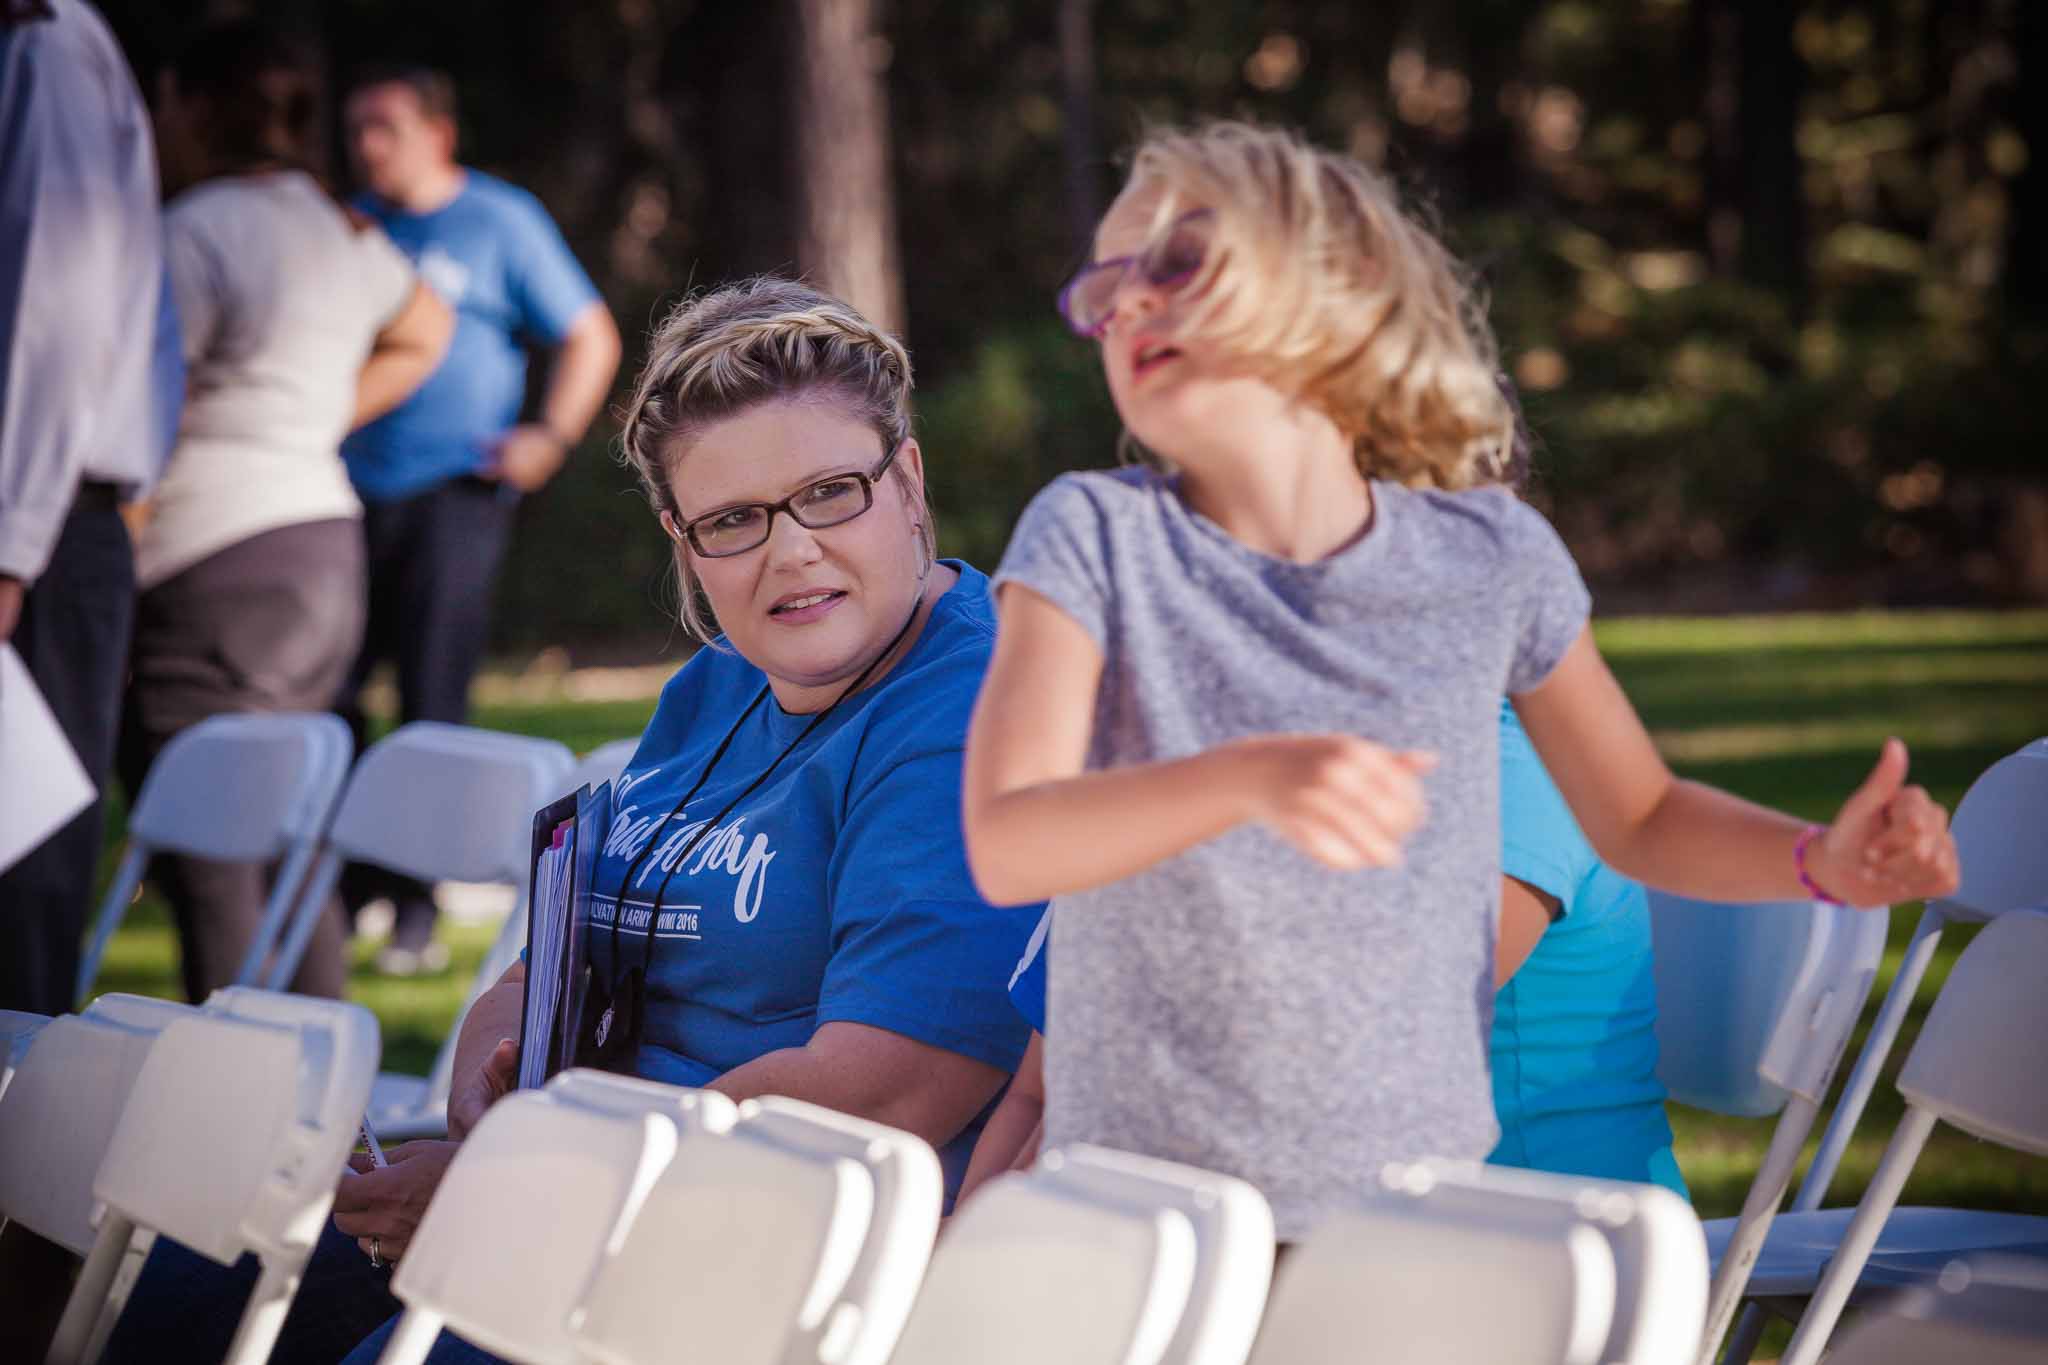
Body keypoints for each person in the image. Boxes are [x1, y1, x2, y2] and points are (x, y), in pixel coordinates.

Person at [959, 120, 1958, 1243]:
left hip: (1402, 1222)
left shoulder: (1493, 560)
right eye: (1105, 290)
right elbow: (1008, 839)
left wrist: (1816, 861)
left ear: (1341, 289)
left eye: (1178, 260)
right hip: (1148, 1221)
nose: (1131, 301)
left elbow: (1640, 816)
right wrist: (1246, 778)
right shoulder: (1089, 536)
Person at [101, 277, 1043, 1365]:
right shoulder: (718, 685)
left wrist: (519, 1183)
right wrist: (487, 1083)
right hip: (579, 1189)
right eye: (732, 520)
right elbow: (542, 968)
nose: (789, 552)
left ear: (907, 481)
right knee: (191, 1281)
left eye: (830, 493)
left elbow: (885, 1089)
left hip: (767, 1252)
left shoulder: (969, 710)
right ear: (682, 540)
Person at [959, 701, 1688, 1206]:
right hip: (1312, 1233)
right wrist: (971, 1250)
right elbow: (1041, 1092)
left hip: (1530, 1249)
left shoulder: (1512, 775)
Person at [117, 20, 454, 1003]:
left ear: (189, 107)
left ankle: (236, 1086)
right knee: (290, 840)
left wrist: (114, 560)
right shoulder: (336, 226)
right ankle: (319, 1080)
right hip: (320, 544)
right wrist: (310, 420)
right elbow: (427, 325)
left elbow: (150, 412)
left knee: (213, 854)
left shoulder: (194, 230)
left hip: (211, 563)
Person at [335, 63, 623, 974]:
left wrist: (551, 436)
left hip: (455, 491)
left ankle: (415, 904)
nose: (366, 145)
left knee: (432, 698)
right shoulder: (351, 225)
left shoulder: (498, 219)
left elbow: (590, 333)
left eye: (385, 126)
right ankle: (348, 889)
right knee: (335, 691)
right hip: (345, 491)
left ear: (438, 134)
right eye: (356, 127)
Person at [0, 0, 181, 1017]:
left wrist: (12, 545)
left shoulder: (45, 40)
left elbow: (52, 305)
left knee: (18, 871)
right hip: (44, 518)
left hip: (37, 524)